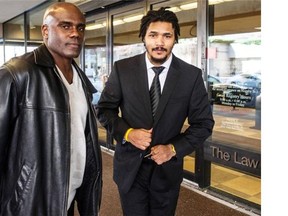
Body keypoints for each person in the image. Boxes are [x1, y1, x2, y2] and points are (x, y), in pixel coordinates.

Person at [96, 7, 214, 216]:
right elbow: (105, 110)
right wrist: (128, 133)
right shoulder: (123, 69)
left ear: (175, 39)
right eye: (153, 35)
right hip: (130, 168)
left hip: (166, 170)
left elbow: (204, 123)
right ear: (144, 37)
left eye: (167, 36)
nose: (160, 42)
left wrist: (173, 148)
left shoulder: (191, 76)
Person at [0, 2, 102, 215]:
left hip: (68, 196)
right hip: (30, 201)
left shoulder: (81, 80)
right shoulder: (17, 74)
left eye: (80, 27)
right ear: (45, 31)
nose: (75, 33)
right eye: (66, 26)